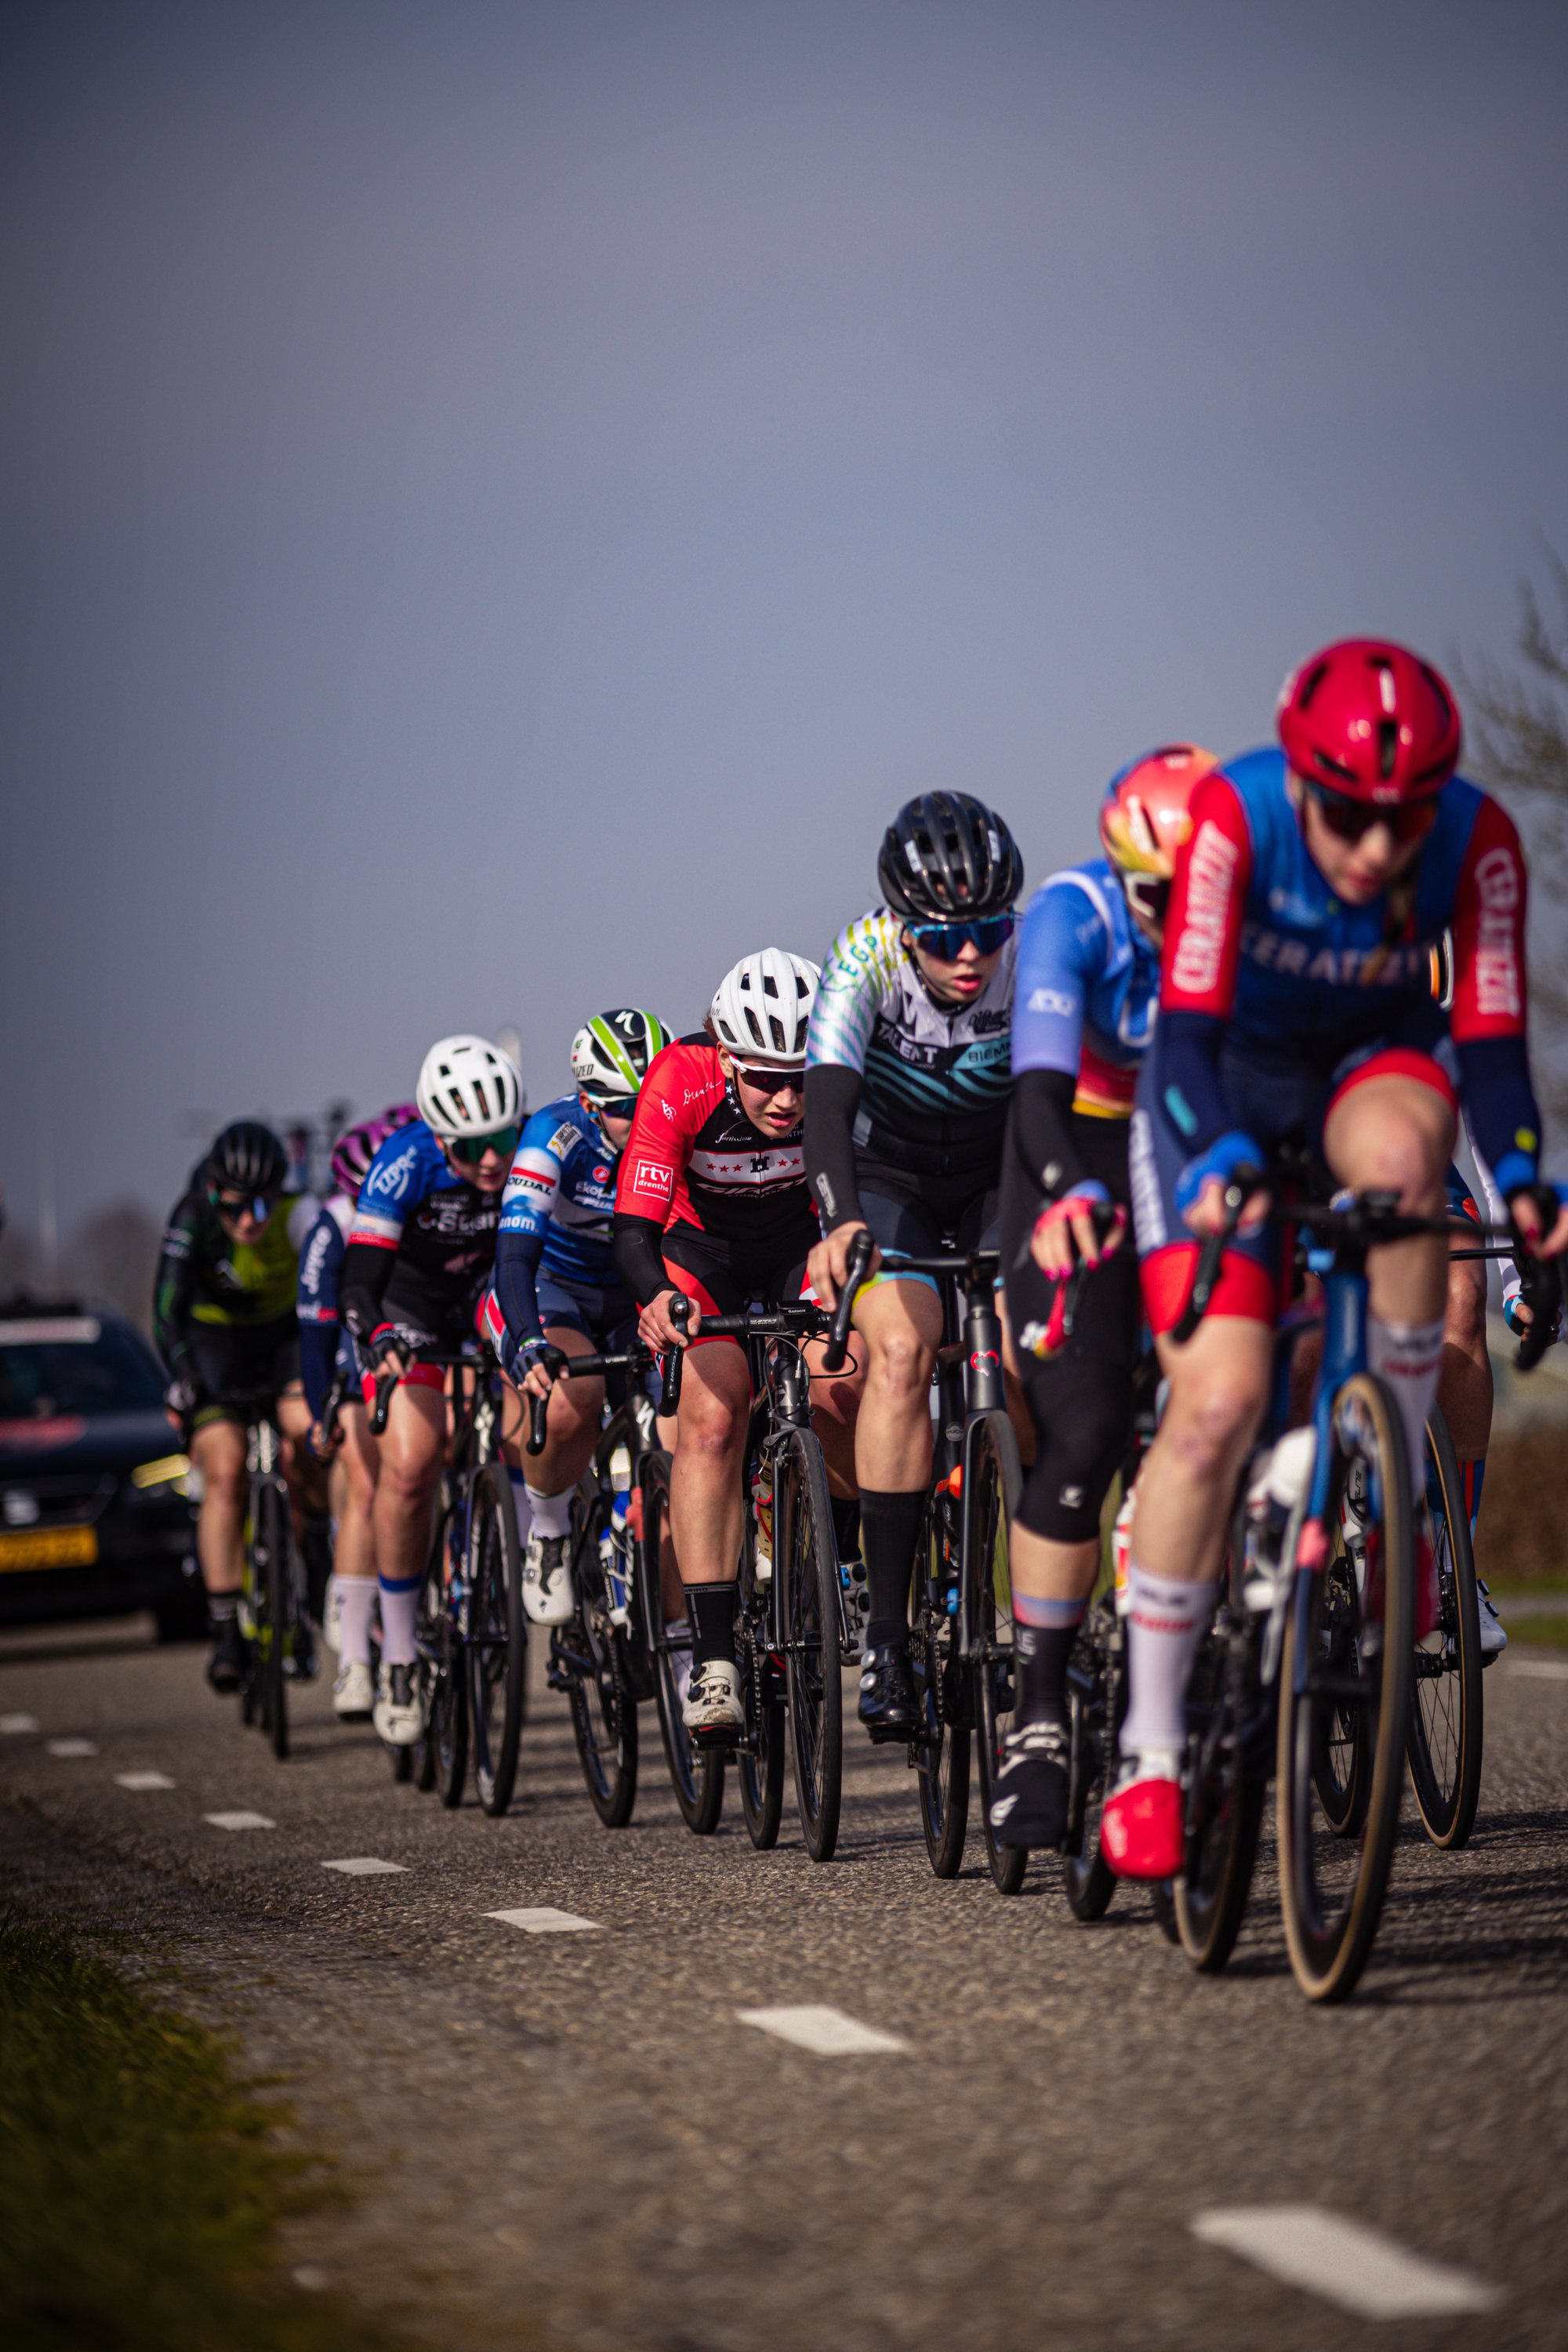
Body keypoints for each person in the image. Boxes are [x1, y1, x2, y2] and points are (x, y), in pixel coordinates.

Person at [1109, 637, 1568, 1878]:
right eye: (1350, 817)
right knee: (1217, 1405)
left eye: (1401, 819)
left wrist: (1523, 1177)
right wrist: (1211, 1168)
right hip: (1227, 1090)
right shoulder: (1235, 821)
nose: (1375, 849)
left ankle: (1390, 1453)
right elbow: (1187, 1039)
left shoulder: (1476, 844)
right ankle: (1150, 1750)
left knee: (1419, 1158)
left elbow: (1488, 1051)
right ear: (1302, 786)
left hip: (1374, 1073)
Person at [989, 747, 1217, 1847]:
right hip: (1071, 1137)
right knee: (1079, 1429)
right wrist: (1065, 1187)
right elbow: (1032, 1094)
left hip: (1183, 1134)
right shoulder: (1071, 917)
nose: (1179, 919)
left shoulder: (1248, 918)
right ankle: (1036, 1708)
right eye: (1157, 898)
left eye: (1199, 895)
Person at [803, 793, 1023, 1744]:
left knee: (1033, 1354)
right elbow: (823, 1104)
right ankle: (888, 1638)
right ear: (903, 929)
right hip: (890, 1177)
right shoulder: (861, 957)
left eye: (987, 930)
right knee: (895, 1355)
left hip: (1000, 1173)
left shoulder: (1036, 957)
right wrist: (840, 1220)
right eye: (942, 939)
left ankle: (1041, 1617)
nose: (969, 954)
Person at [612, 952, 832, 1737]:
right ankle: (712, 1662)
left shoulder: (837, 1075)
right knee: (709, 1421)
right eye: (766, 1078)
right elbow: (634, 1228)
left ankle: (839, 1559)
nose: (785, 1097)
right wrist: (655, 1297)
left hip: (798, 1247)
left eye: (799, 1079)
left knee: (844, 1377)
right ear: (730, 1058)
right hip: (701, 1255)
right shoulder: (680, 1080)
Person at [339, 1037, 524, 1744]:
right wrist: (377, 1334)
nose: (490, 1161)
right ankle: (399, 1653)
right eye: (472, 1147)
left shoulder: (525, 1158)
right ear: (441, 1137)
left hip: (486, 1292)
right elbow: (358, 1283)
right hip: (410, 1304)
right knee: (413, 1461)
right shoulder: (404, 1161)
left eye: (502, 1139)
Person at [483, 1009, 670, 1626]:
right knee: (569, 1397)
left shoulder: (673, 1124)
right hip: (552, 1286)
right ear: (590, 1103)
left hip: (635, 1291)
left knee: (683, 1417)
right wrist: (529, 1340)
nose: (640, 1120)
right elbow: (514, 1250)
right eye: (623, 1108)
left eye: (650, 1102)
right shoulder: (551, 1134)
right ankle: (549, 1530)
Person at [154, 1120, 321, 1692]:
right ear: (213, 1197)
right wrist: (181, 1376)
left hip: (281, 1338)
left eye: (263, 1205)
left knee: (307, 1431)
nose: (250, 1219)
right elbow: (165, 1307)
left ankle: (309, 1557)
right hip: (213, 1343)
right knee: (224, 1470)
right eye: (235, 1208)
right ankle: (226, 1628)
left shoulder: (299, 1213)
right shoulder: (192, 1216)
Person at [296, 1104, 418, 1718]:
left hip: (415, 1346)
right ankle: (354, 1663)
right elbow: (317, 1328)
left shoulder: (425, 1189)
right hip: (353, 1361)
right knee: (368, 1485)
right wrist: (322, 1409)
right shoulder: (336, 1223)